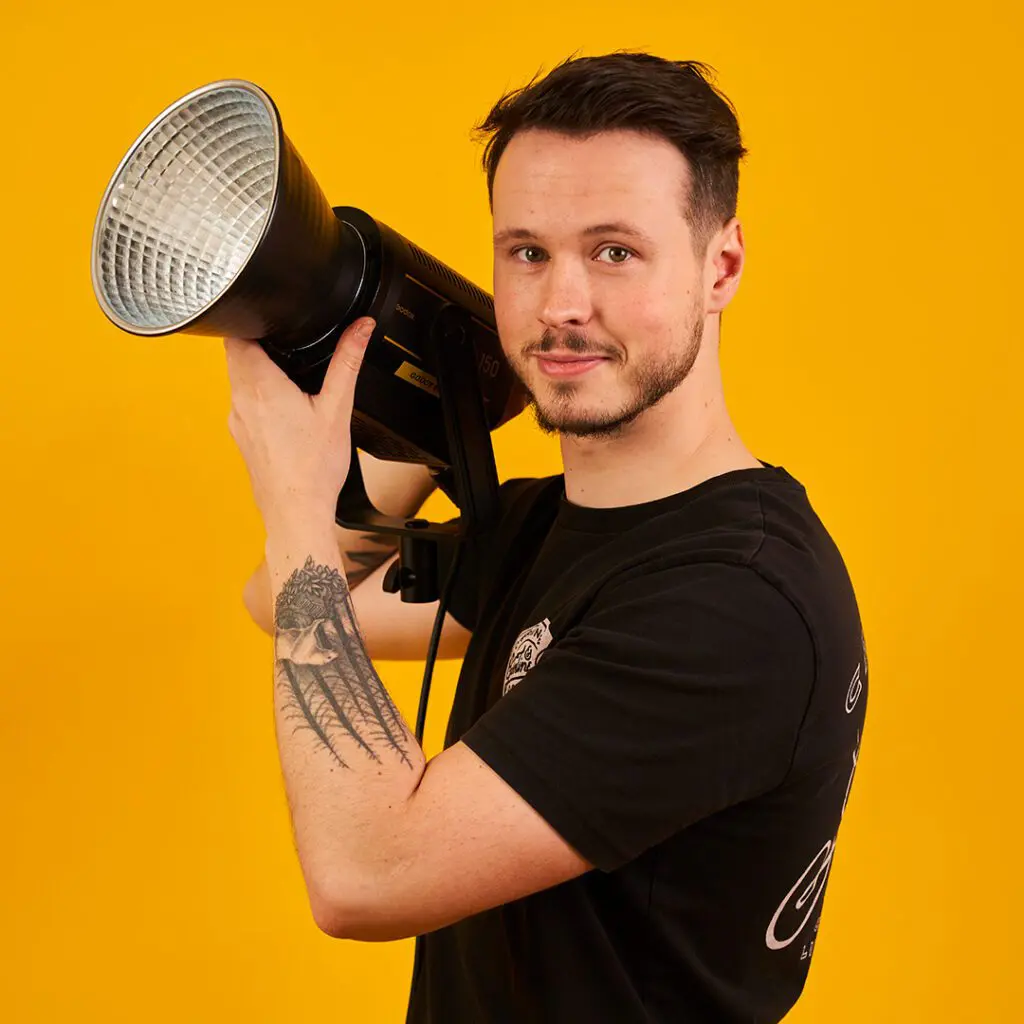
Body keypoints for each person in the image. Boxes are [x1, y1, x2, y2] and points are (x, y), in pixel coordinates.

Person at [231, 52, 867, 1024]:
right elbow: (293, 597)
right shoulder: (540, 527)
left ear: (720, 266)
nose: (562, 302)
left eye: (614, 251)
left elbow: (365, 874)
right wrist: (432, 402)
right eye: (526, 252)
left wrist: (293, 494)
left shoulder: (733, 601)